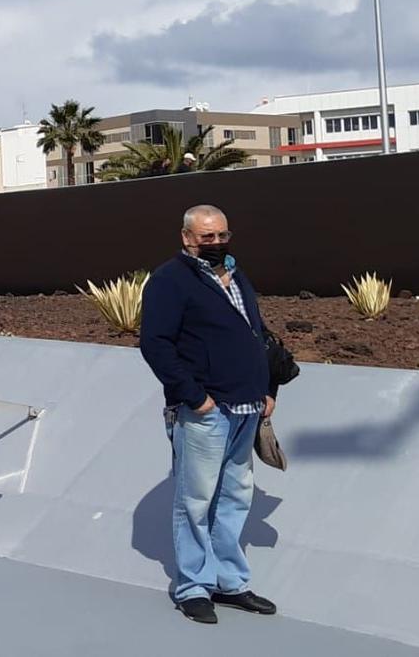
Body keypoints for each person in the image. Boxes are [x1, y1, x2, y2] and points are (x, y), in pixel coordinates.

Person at [139, 204, 278, 625]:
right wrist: (195, 397)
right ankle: (192, 586)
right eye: (207, 237)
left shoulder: (237, 276)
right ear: (187, 238)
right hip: (206, 411)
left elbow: (258, 333)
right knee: (195, 500)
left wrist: (267, 388)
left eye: (222, 235)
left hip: (247, 406)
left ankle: (229, 582)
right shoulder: (170, 280)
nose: (216, 243)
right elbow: (156, 344)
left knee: (235, 497)